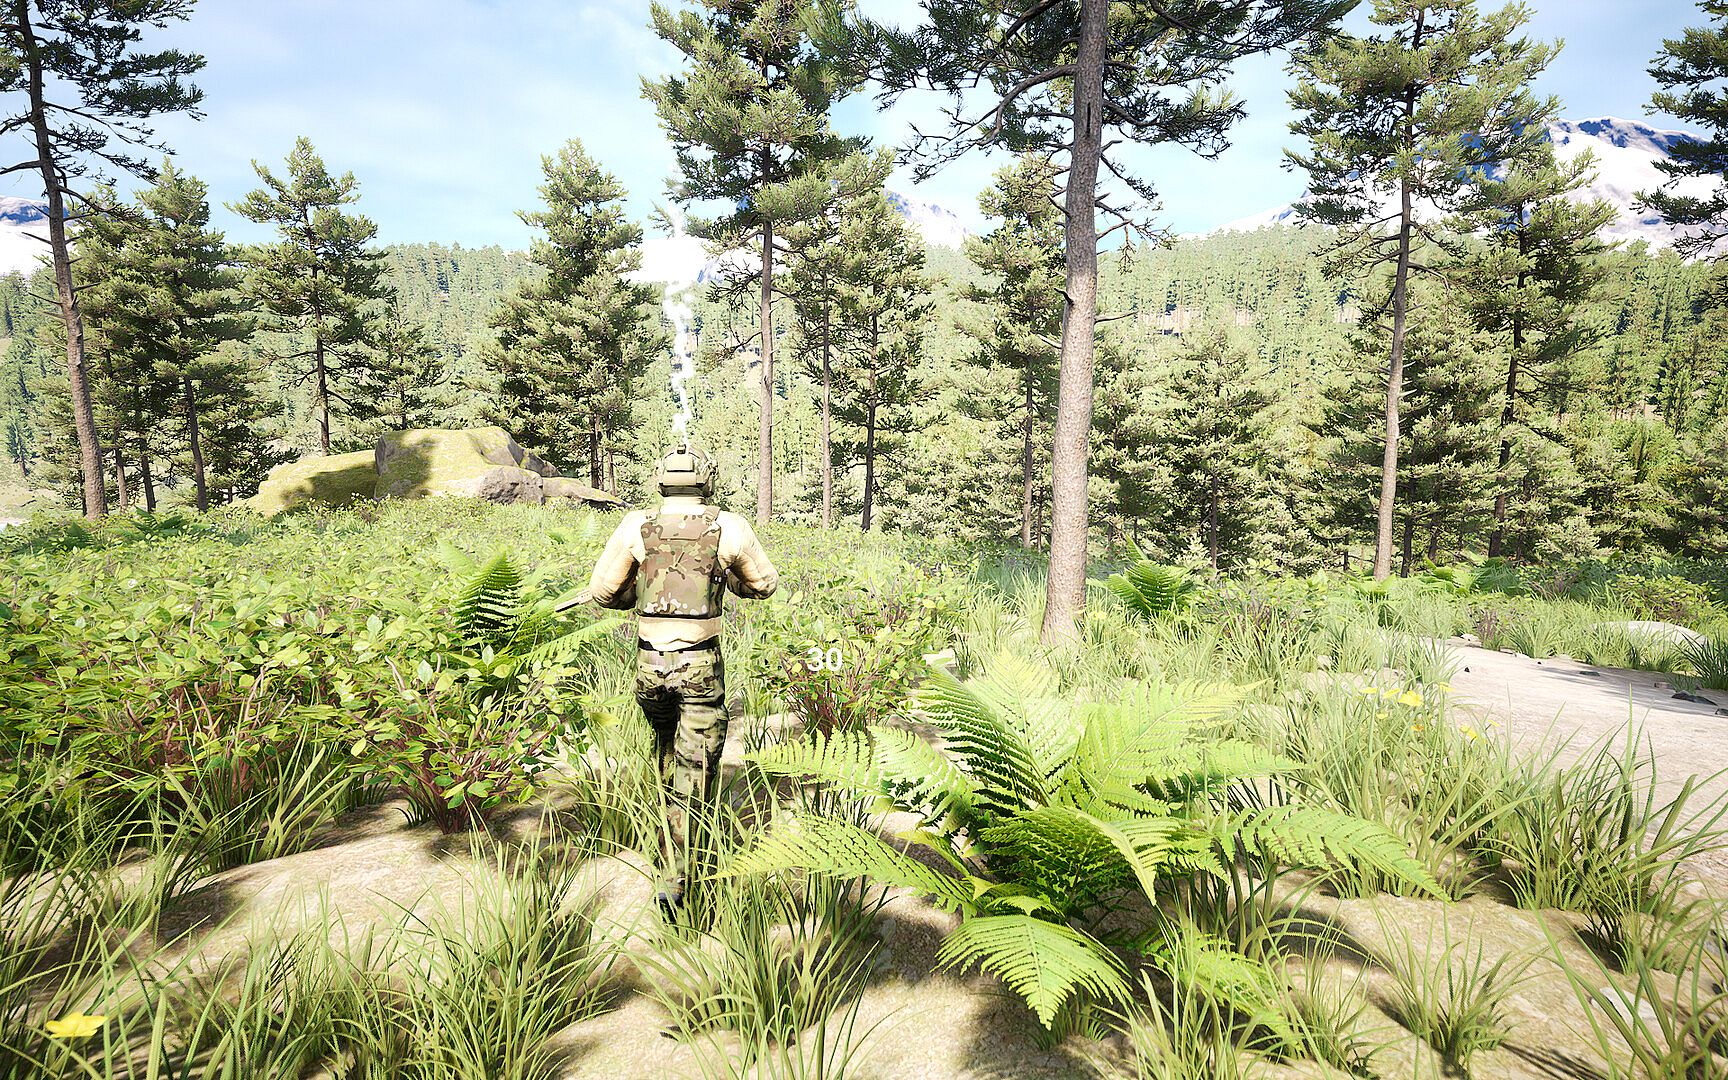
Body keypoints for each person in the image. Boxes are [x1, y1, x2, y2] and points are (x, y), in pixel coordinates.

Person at [584, 444, 778, 914]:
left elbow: (603, 592)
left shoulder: (635, 525)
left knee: (667, 746)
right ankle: (675, 881)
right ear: (706, 479)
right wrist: (728, 580)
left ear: (661, 479)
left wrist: (638, 590)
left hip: (649, 667)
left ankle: (665, 821)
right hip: (700, 667)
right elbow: (764, 584)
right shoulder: (729, 526)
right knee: (695, 770)